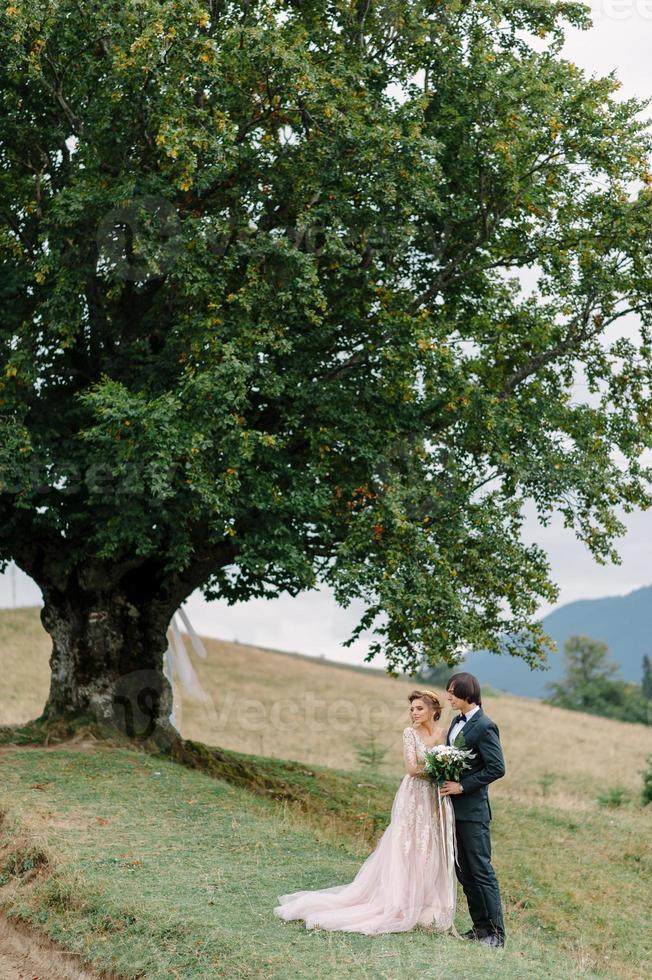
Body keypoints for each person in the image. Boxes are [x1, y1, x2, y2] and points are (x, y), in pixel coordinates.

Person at [273, 689, 457, 935]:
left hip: (434, 797)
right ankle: (397, 900)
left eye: (419, 708)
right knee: (406, 842)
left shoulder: (444, 735)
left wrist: (447, 769)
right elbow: (412, 769)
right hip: (413, 795)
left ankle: (423, 900)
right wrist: (436, 769)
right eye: (411, 708)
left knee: (427, 843)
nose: (414, 712)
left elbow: (451, 762)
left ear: (434, 710)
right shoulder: (409, 734)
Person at [441, 671, 506, 947]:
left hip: (474, 812)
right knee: (463, 872)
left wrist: (463, 787)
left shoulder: (485, 725)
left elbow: (497, 768)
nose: (449, 697)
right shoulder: (456, 722)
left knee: (481, 871)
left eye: (453, 692)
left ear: (468, 693)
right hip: (453, 810)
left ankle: (497, 934)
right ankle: (480, 929)